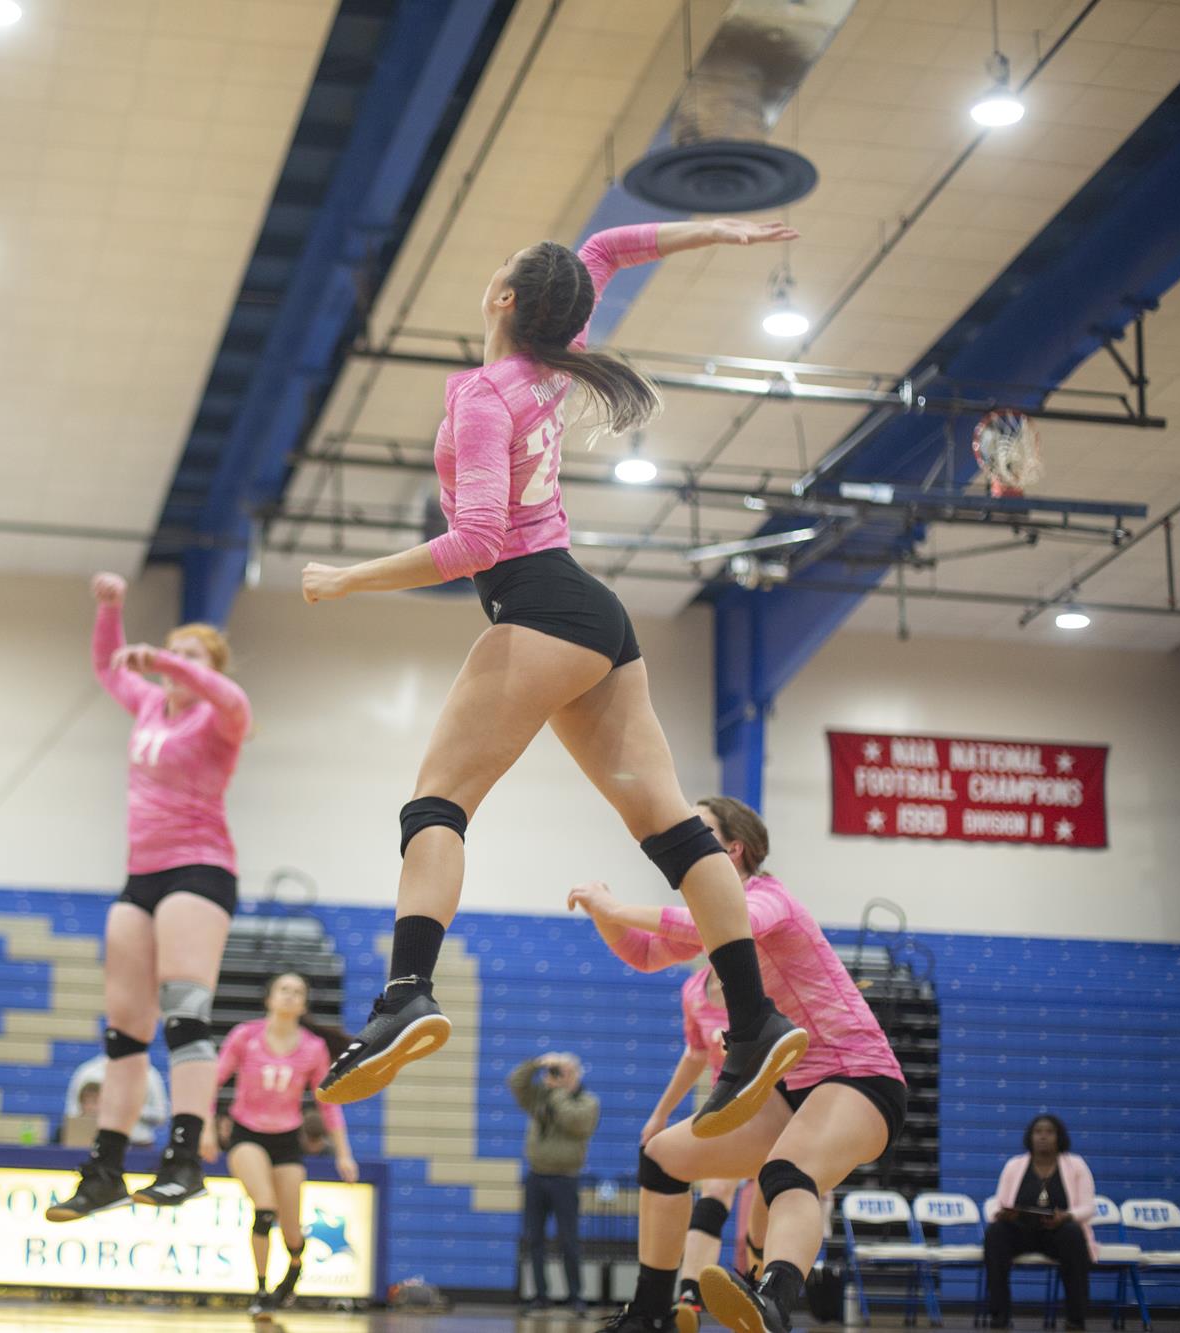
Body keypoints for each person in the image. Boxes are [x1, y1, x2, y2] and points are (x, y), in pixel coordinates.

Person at [297, 219, 806, 1131]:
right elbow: (604, 250)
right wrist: (714, 232)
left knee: (436, 806)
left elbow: (475, 544)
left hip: (536, 606)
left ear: (504, 300)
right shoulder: (551, 365)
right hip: (594, 616)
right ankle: (754, 1016)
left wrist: (348, 578)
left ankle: (406, 994)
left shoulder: (486, 395)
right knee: (674, 828)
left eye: (499, 267)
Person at [567, 796, 907, 1333]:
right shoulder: (718, 921)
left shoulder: (769, 897)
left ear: (733, 849)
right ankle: (651, 1313)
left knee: (786, 1173)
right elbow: (645, 953)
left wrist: (617, 908)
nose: (684, 840)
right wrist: (602, 913)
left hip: (859, 1076)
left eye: (699, 830)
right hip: (790, 1087)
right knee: (662, 1158)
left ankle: (773, 1301)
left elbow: (719, 923)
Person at [47, 573, 252, 1220]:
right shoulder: (148, 706)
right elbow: (106, 667)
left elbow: (232, 696)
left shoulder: (220, 717)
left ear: (209, 668)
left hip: (200, 869)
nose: (175, 664)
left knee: (184, 1014)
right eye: (172, 652)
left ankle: (184, 1161)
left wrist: (169, 660)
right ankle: (105, 1168)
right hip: (142, 875)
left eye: (192, 656)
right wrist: (110, 609)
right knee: (125, 1030)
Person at [204, 973, 359, 1314]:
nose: (290, 996)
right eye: (284, 989)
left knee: (291, 1229)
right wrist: (206, 1129)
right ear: (269, 998)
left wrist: (344, 1154)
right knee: (264, 1209)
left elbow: (328, 1104)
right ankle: (260, 1290)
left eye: (297, 992)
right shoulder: (245, 1036)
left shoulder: (313, 1048)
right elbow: (211, 1081)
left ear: (304, 1005)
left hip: (287, 1140)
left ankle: (294, 1266)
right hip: (247, 1133)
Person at [642, 964, 764, 1332]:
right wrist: (660, 1114)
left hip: (775, 1108)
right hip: (726, 1110)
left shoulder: (760, 975)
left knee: (768, 1207)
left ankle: (765, 1299)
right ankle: (689, 1297)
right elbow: (695, 1056)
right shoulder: (694, 990)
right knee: (715, 1190)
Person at [982, 1115, 1098, 1330]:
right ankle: (999, 1315)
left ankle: (1076, 1317)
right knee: (995, 1232)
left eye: (1049, 1132)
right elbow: (996, 1202)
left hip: (1057, 1233)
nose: (1043, 1136)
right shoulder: (1014, 1165)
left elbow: (1088, 1207)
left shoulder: (1076, 1165)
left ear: (1059, 1137)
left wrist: (1067, 1216)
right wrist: (1000, 1214)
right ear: (1030, 1136)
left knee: (1073, 1233)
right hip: (1021, 1232)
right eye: (1038, 1132)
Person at [510, 1051, 600, 1316]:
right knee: (534, 1239)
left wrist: (558, 1091)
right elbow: (516, 1083)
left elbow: (574, 1122)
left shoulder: (587, 1102)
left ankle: (575, 1297)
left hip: (566, 1179)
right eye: (557, 1072)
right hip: (536, 1176)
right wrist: (536, 1064)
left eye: (565, 1072)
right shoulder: (540, 1097)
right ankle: (540, 1296)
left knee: (568, 1240)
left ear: (577, 1075)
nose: (559, 1077)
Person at [62, 1053, 169, 1148]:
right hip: (95, 1143)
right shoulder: (88, 1071)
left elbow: (161, 1115)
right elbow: (73, 1112)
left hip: (139, 1145)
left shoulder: (149, 1073)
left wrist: (129, 1109)